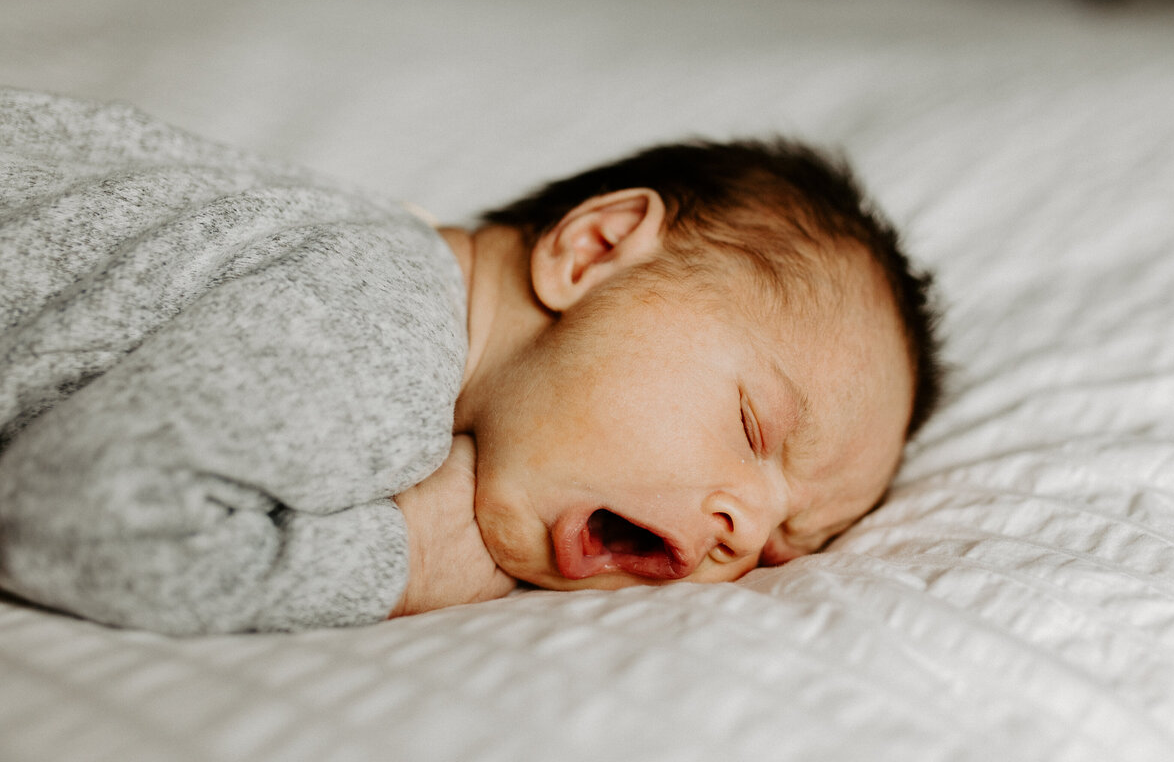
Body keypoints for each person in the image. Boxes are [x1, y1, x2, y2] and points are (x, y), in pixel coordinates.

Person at [0, 87, 942, 634]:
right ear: (594, 251)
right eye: (754, 428)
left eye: (790, 542)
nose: (748, 533)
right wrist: (412, 556)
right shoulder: (381, 325)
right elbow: (79, 518)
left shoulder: (360, 256)